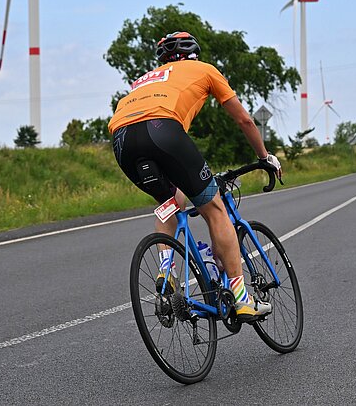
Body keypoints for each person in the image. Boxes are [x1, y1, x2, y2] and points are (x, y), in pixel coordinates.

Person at [109, 31, 283, 321]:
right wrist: (265, 157)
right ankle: (241, 298)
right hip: (162, 130)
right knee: (214, 209)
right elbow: (244, 119)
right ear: (193, 55)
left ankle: (167, 270)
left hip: (122, 140)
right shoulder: (204, 69)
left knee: (169, 199)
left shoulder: (144, 79)